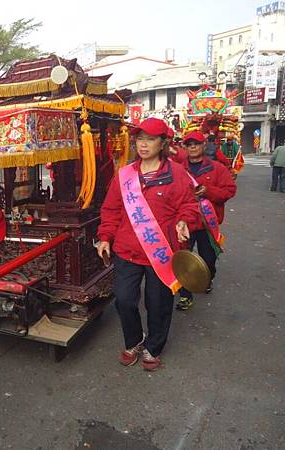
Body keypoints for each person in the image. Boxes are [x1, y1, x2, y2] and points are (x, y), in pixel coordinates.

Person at [97, 117, 199, 371]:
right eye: (140, 139)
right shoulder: (125, 175)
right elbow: (111, 210)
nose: (143, 145)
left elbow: (189, 205)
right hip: (127, 250)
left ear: (163, 143)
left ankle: (153, 347)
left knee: (158, 303)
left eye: (150, 139)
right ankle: (134, 341)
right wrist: (105, 237)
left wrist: (185, 221)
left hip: (160, 253)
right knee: (124, 299)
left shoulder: (177, 174)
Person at [175, 131, 237, 311]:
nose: (193, 147)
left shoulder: (218, 168)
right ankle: (185, 294)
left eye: (196, 143)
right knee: (183, 258)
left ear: (204, 146)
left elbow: (229, 191)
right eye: (189, 144)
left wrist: (208, 191)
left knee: (208, 258)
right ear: (185, 148)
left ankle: (207, 278)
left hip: (207, 223)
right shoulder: (178, 168)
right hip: (185, 222)